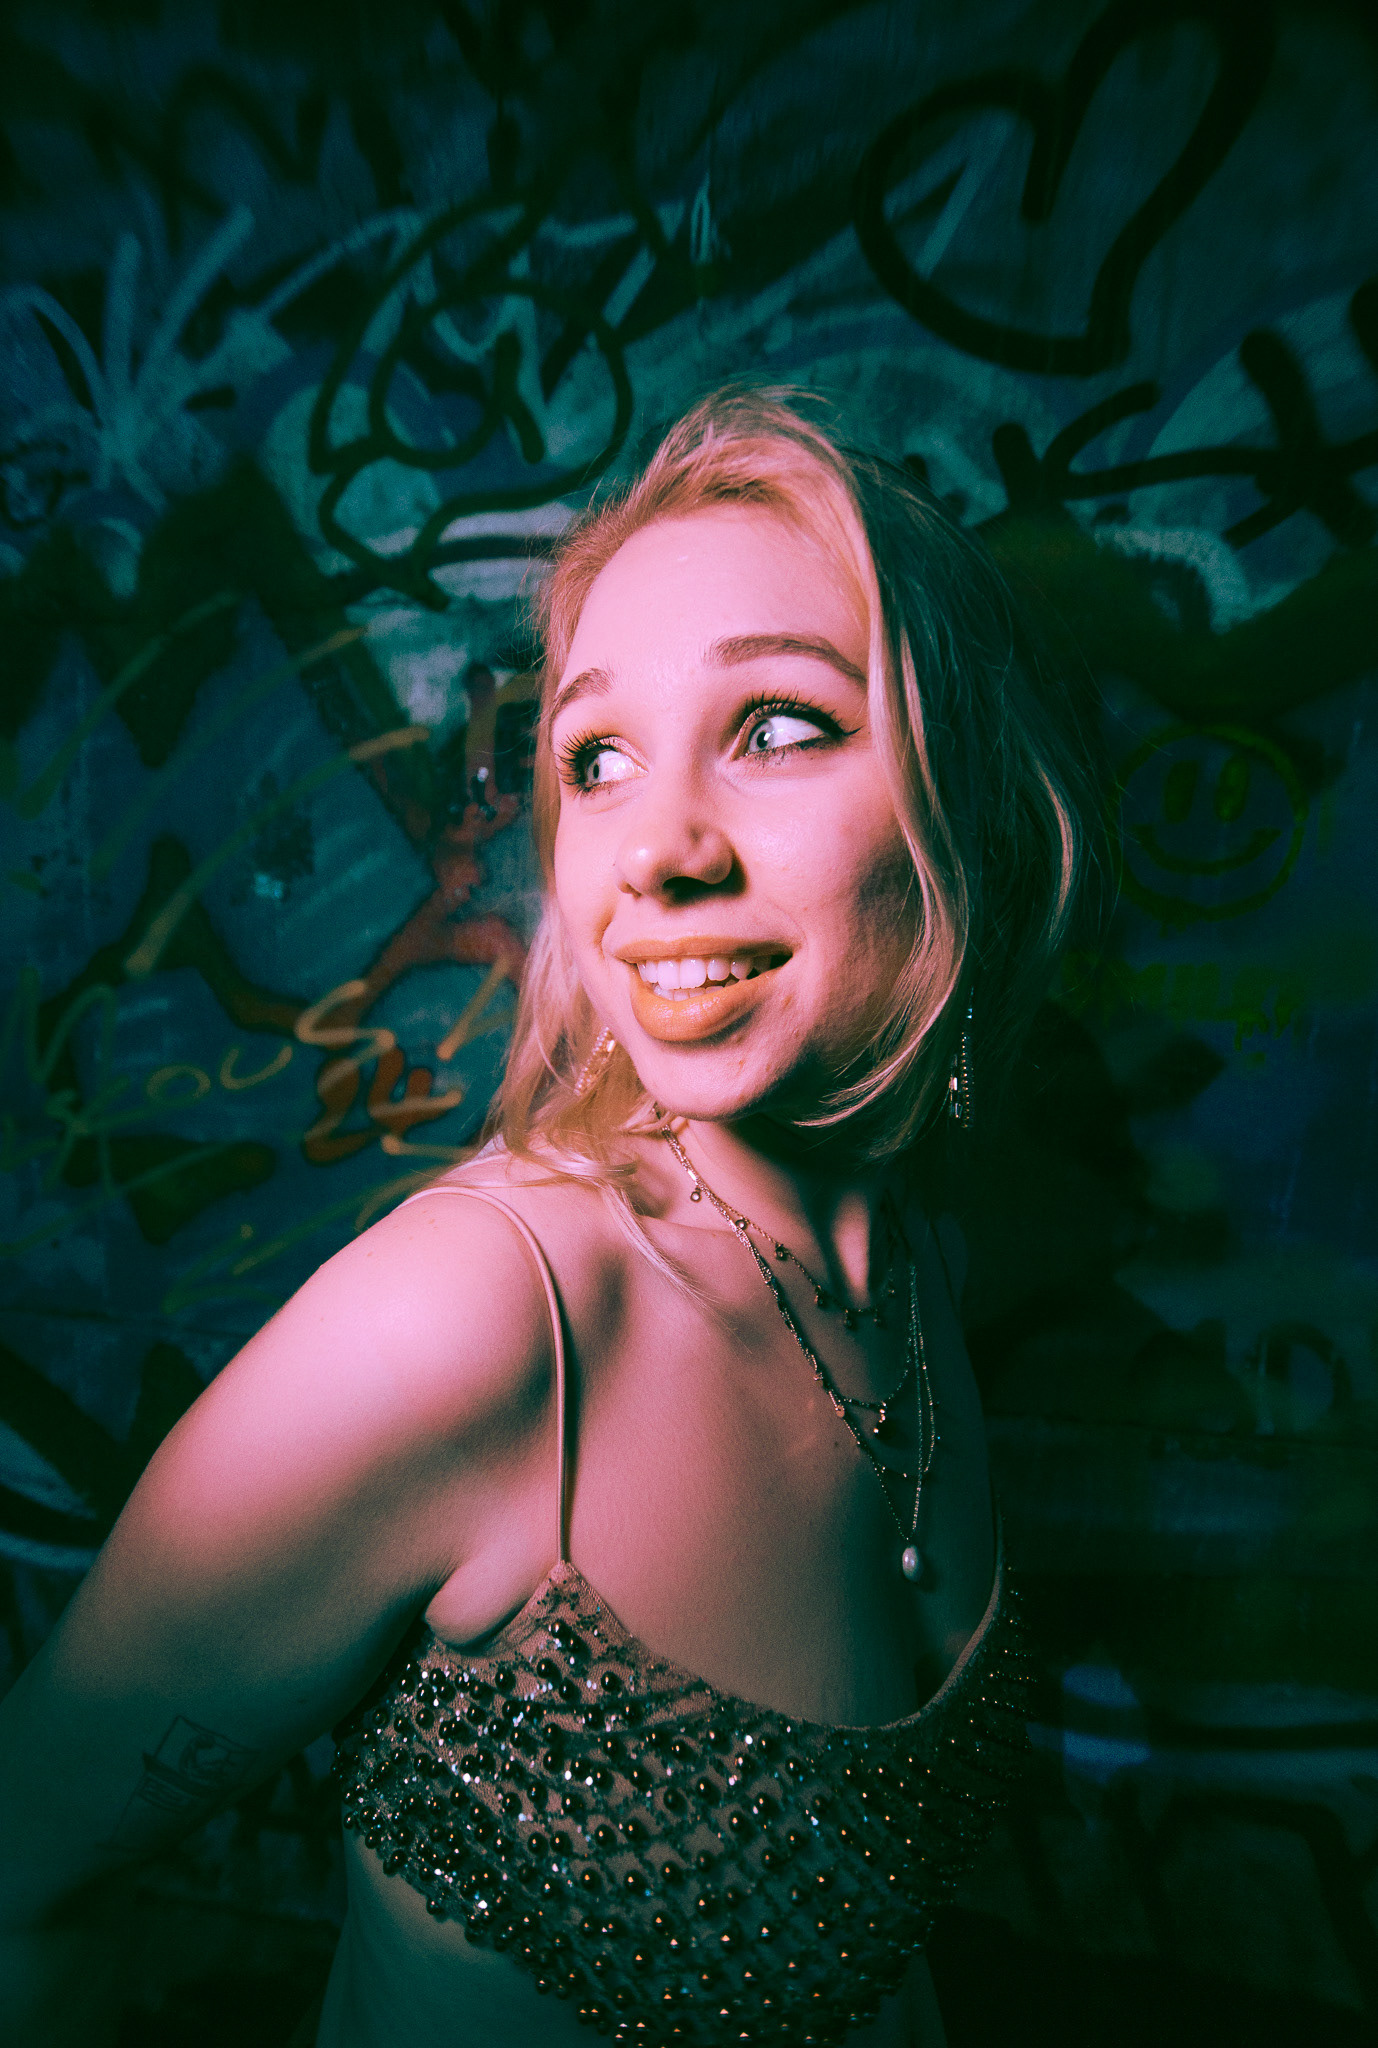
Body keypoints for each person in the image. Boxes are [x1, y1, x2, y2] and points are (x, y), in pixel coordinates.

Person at [0, 386, 1100, 2048]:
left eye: (777, 724)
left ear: (973, 794)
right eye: (597, 758)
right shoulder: (471, 1319)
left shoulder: (913, 1262)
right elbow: (21, 1878)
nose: (653, 849)